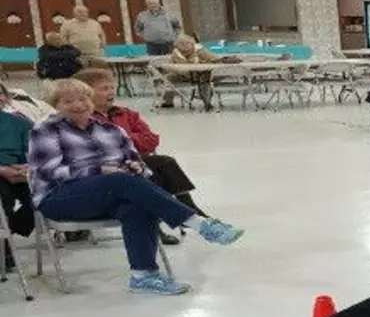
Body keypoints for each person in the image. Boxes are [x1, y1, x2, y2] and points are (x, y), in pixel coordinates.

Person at [28, 79, 245, 295]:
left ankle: (143, 276)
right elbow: (48, 171)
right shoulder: (46, 130)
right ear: (55, 105)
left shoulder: (112, 130)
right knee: (120, 181)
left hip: (108, 192)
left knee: (137, 205)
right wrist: (99, 171)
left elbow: (138, 162)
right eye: (67, 101)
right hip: (58, 196)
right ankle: (198, 223)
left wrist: (136, 168)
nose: (77, 105)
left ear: (91, 101)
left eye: (82, 99)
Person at [73, 67, 211, 245]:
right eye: (104, 88)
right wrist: (126, 141)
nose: (111, 92)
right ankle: (183, 214)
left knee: (158, 166)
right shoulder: (84, 119)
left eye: (112, 87)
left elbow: (152, 140)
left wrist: (123, 139)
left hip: (135, 161)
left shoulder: (126, 113)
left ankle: (181, 212)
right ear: (87, 94)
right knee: (154, 167)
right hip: (106, 169)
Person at [0, 102, 33, 271]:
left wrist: (28, 168)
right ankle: (3, 245)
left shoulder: (20, 124)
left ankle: (6, 234)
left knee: (45, 197)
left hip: (19, 173)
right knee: (3, 197)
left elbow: (36, 153)